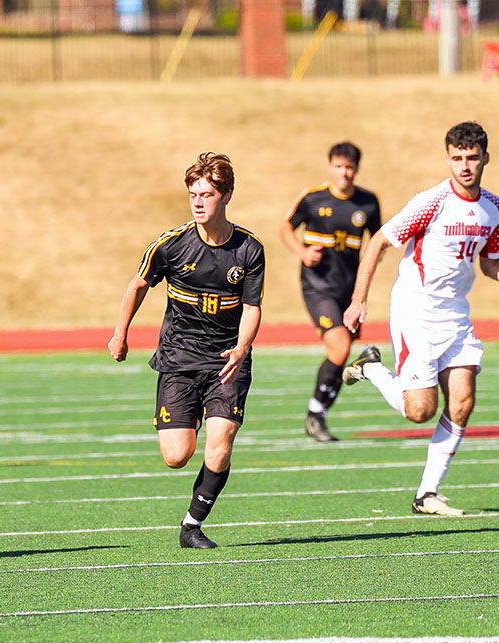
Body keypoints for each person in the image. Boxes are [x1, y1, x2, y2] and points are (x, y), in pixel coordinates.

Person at [108, 152, 265, 549]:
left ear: (227, 195)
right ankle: (192, 418)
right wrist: (120, 333)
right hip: (178, 359)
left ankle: (192, 525)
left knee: (221, 442)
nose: (198, 202)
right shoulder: (171, 246)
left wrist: (243, 347)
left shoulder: (248, 250)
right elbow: (138, 285)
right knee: (176, 456)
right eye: (193, 193)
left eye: (207, 194)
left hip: (226, 362)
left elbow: (251, 307)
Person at [342, 121, 499, 516]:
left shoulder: (494, 209)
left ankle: (426, 493)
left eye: (472, 158)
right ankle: (372, 369)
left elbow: (489, 263)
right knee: (420, 411)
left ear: (485, 158)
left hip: (455, 316)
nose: (465, 166)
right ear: (448, 158)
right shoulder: (431, 202)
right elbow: (379, 241)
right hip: (415, 311)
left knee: (462, 401)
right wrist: (358, 300)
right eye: (457, 158)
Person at [279, 142, 381, 442]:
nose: (344, 173)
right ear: (330, 167)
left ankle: (318, 414)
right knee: (338, 346)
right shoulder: (313, 199)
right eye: (338, 166)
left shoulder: (368, 202)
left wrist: (364, 282)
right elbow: (286, 227)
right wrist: (302, 252)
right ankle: (314, 414)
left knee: (342, 350)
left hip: (349, 291)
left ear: (357, 169)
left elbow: (377, 242)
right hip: (317, 287)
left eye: (349, 167)